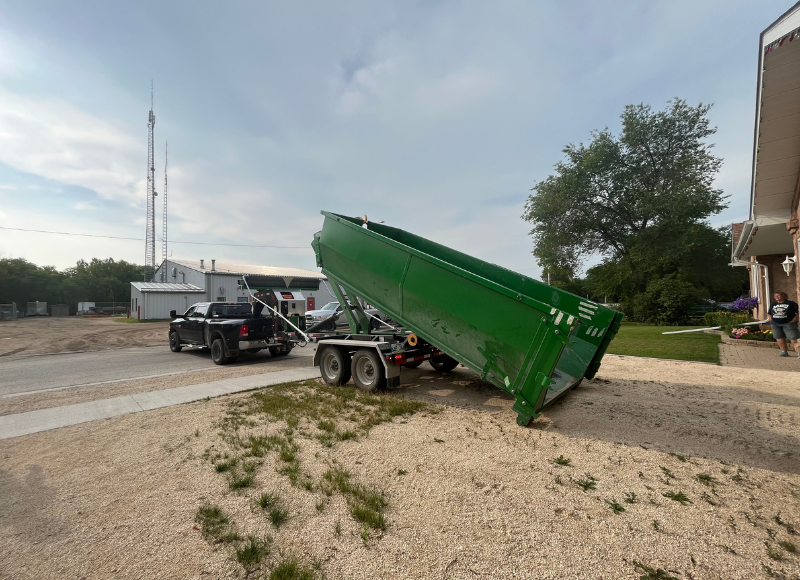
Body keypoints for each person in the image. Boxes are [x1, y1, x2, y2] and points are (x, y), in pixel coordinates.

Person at [767, 292, 800, 358]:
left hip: (789, 323)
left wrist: (794, 320)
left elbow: (798, 312)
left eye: (778, 296)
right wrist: (771, 319)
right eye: (775, 296)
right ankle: (784, 351)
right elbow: (769, 313)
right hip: (775, 324)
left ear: (783, 296)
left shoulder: (791, 303)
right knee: (779, 337)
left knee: (794, 338)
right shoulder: (773, 304)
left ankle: (799, 352)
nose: (776, 297)